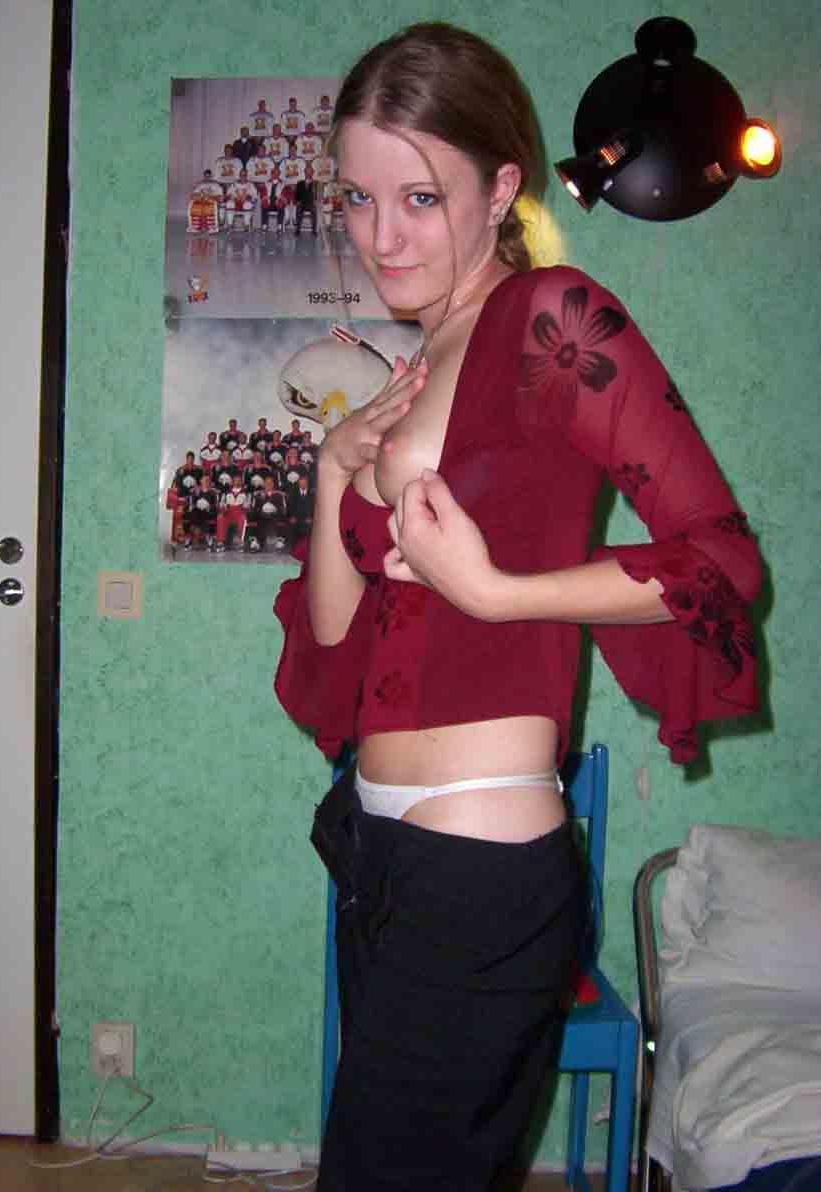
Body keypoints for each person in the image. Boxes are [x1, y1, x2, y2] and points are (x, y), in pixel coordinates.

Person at [272, 22, 763, 1191]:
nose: (381, 237)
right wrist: (335, 472)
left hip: (478, 872)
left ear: (501, 191)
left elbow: (721, 563)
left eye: (420, 199)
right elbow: (335, 639)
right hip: (379, 849)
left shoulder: (550, 317)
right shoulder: (413, 362)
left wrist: (500, 591)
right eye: (358, 199)